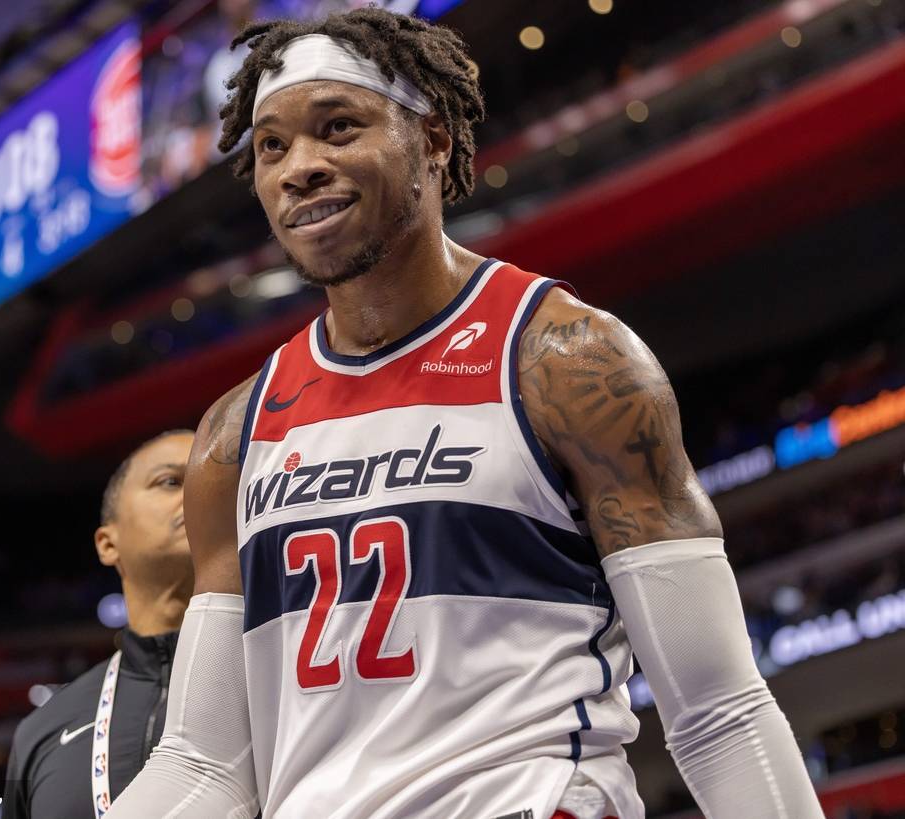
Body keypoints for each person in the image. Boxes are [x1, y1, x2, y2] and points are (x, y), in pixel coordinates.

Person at [108, 9, 824, 819]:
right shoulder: (233, 437)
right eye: (272, 146)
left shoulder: (568, 361)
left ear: (434, 139)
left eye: (338, 127)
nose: (299, 168)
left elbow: (719, 712)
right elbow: (205, 764)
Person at [3, 430, 196, 819]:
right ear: (109, 543)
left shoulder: (286, 688)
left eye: (219, 483)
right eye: (171, 481)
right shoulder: (42, 731)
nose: (202, 494)